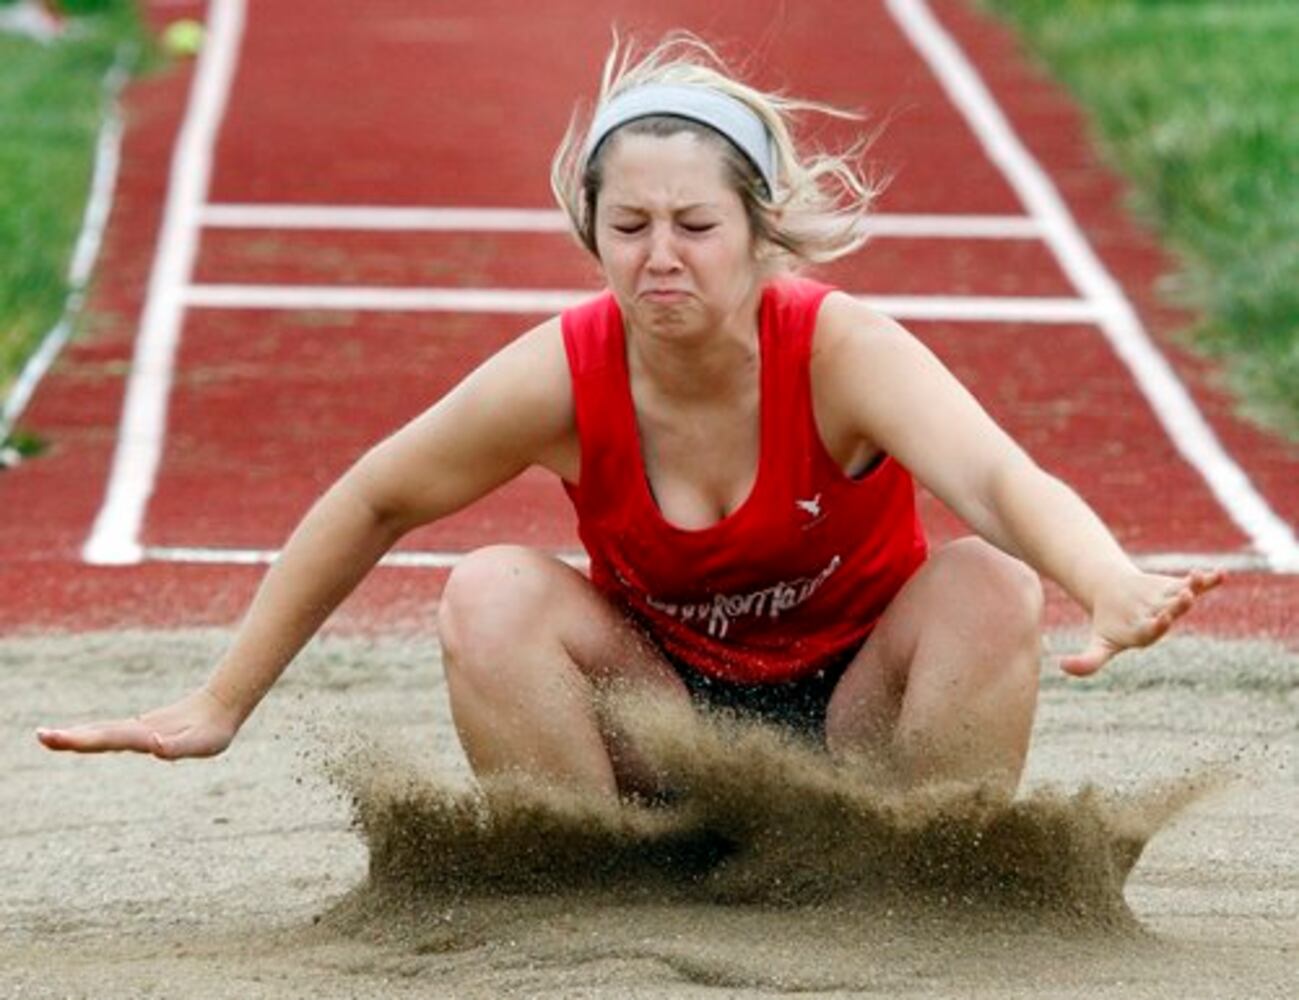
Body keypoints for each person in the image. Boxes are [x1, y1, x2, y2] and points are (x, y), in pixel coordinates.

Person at [37, 34, 1221, 799]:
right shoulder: (563, 370)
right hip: (667, 732)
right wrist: (219, 701)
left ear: (761, 235)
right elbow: (376, 496)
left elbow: (1003, 487)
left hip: (865, 716)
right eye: (629, 227)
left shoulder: (842, 349)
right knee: (490, 588)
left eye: (696, 228)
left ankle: (931, 891)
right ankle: (594, 887)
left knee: (994, 585)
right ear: (592, 232)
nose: (660, 259)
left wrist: (1107, 579)